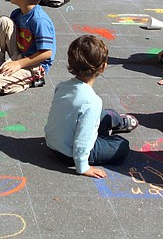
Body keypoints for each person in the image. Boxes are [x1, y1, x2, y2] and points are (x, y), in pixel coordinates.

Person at [44, 35, 135, 178]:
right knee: (122, 146)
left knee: (104, 114)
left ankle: (115, 123)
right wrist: (83, 167)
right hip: (69, 153)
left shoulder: (62, 87)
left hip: (53, 143)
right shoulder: (92, 101)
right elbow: (82, 139)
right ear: (103, 67)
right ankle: (110, 129)